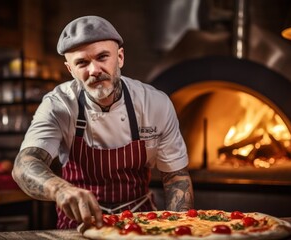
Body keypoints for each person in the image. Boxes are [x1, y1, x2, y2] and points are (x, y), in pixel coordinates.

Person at [12, 15, 194, 230]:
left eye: (102, 57)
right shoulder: (58, 105)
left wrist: (181, 230)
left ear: (120, 57)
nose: (94, 70)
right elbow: (24, 165)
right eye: (82, 62)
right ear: (70, 70)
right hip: (78, 225)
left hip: (139, 222)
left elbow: (175, 177)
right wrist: (59, 189)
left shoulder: (154, 103)